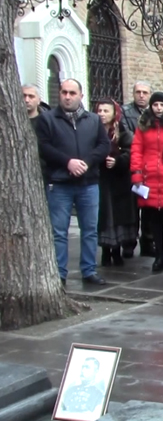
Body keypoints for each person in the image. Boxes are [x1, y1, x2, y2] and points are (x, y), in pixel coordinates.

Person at [36, 79, 110, 286]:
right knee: (59, 231)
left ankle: (89, 270)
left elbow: (103, 145)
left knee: (89, 229)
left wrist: (87, 162)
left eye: (72, 93)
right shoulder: (48, 119)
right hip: (60, 183)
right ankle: (59, 273)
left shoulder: (93, 120)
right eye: (64, 92)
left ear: (80, 96)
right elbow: (44, 147)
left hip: (88, 183)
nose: (67, 96)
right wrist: (67, 162)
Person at [131, 92, 163, 273]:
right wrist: (137, 174)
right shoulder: (144, 126)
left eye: (162, 105)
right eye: (156, 105)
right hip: (150, 179)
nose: (159, 109)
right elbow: (137, 149)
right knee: (154, 222)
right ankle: (159, 255)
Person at [95, 100, 135, 267]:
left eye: (106, 110)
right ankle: (105, 251)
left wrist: (118, 161)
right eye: (100, 110)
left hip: (119, 181)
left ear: (114, 113)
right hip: (101, 179)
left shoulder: (122, 131)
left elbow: (131, 151)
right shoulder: (93, 130)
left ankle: (117, 251)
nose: (102, 114)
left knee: (118, 217)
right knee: (104, 217)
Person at [122, 81, 154, 259]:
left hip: (149, 167)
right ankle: (129, 242)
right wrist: (143, 141)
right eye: (138, 92)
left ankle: (148, 242)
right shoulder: (126, 113)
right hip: (132, 165)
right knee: (131, 209)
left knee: (148, 209)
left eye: (145, 92)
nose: (141, 95)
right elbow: (126, 136)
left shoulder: (154, 114)